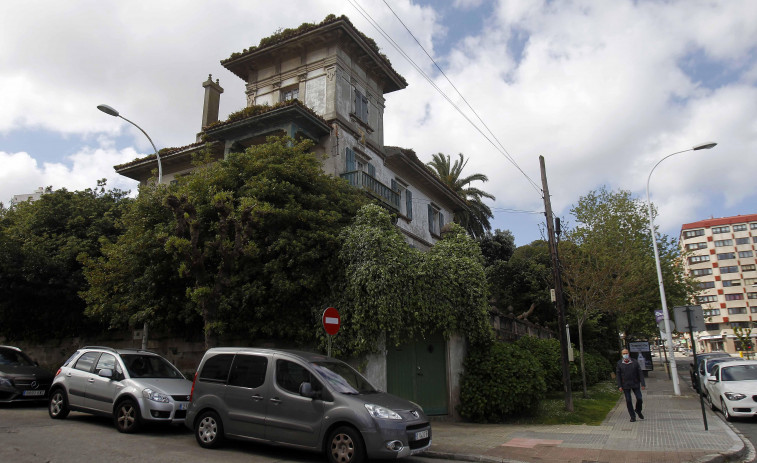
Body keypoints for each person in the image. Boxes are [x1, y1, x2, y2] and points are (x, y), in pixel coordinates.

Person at [616, 348, 646, 422]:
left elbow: (640, 373)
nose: (625, 355)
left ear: (628, 353)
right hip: (625, 384)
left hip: (635, 383)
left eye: (626, 353)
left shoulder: (634, 362)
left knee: (639, 398)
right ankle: (632, 416)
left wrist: (642, 383)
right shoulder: (619, 363)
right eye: (624, 353)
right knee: (628, 400)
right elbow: (618, 375)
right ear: (622, 355)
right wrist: (619, 385)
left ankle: (638, 410)